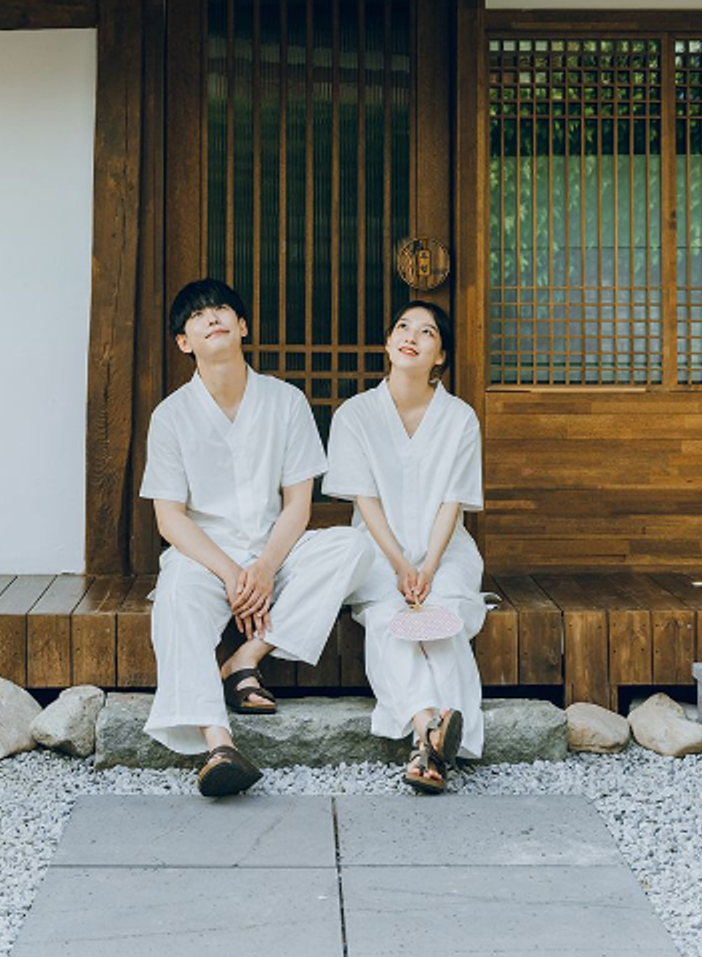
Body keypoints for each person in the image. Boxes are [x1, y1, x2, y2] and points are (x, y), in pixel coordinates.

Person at [140, 278, 372, 797]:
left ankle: (245, 659)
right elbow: (170, 519)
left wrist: (265, 567)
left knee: (355, 547)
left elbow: (298, 503)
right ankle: (219, 743)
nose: (213, 318)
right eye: (198, 316)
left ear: (242, 326)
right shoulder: (171, 416)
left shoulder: (285, 402)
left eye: (222, 309)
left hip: (276, 548)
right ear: (184, 341)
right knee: (176, 595)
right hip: (204, 555)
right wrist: (229, 571)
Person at [323, 301, 485, 793]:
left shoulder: (460, 418)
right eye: (402, 327)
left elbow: (452, 503)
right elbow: (365, 502)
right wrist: (399, 565)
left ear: (441, 356)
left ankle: (427, 745)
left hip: (445, 552)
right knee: (389, 621)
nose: (411, 335)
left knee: (442, 621)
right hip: (376, 551)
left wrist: (428, 567)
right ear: (388, 343)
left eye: (427, 331)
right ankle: (430, 731)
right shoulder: (355, 414)